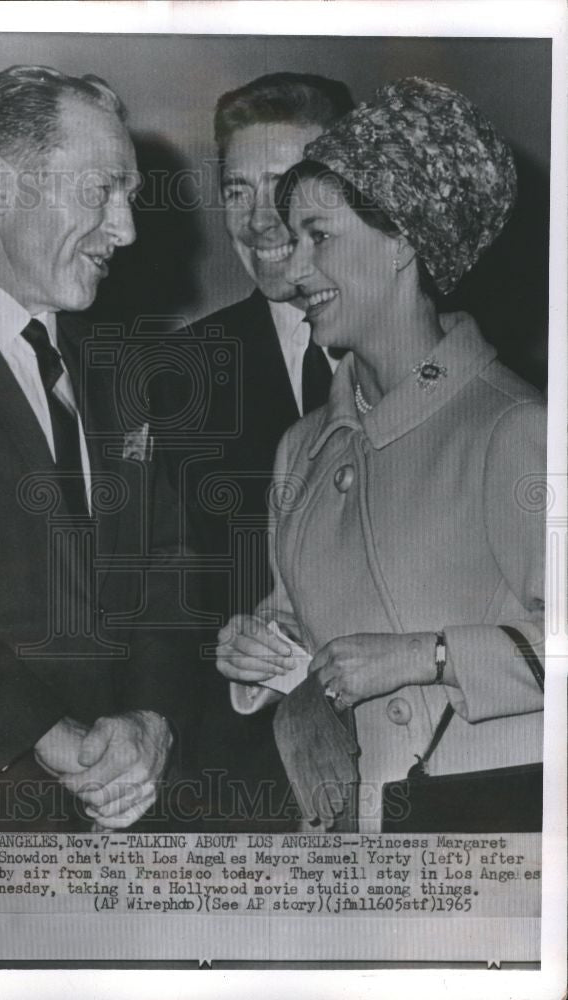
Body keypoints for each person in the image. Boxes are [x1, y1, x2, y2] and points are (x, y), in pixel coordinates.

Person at [216, 77, 545, 832]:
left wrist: (426, 656)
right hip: (350, 840)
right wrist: (268, 653)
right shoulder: (301, 452)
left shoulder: (513, 428)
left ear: (401, 239)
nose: (293, 271)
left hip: (494, 836)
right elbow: (319, 632)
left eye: (319, 237)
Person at [0, 66, 196, 831]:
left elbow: (165, 568)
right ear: (0, 188)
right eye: (101, 190)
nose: (126, 228)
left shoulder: (118, 372)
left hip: (129, 818)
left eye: (128, 196)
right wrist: (43, 734)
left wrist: (150, 719)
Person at [164, 73, 354, 829]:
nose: (257, 219)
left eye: (283, 185)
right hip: (242, 789)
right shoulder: (172, 380)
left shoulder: (444, 364)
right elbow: (155, 600)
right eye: (237, 189)